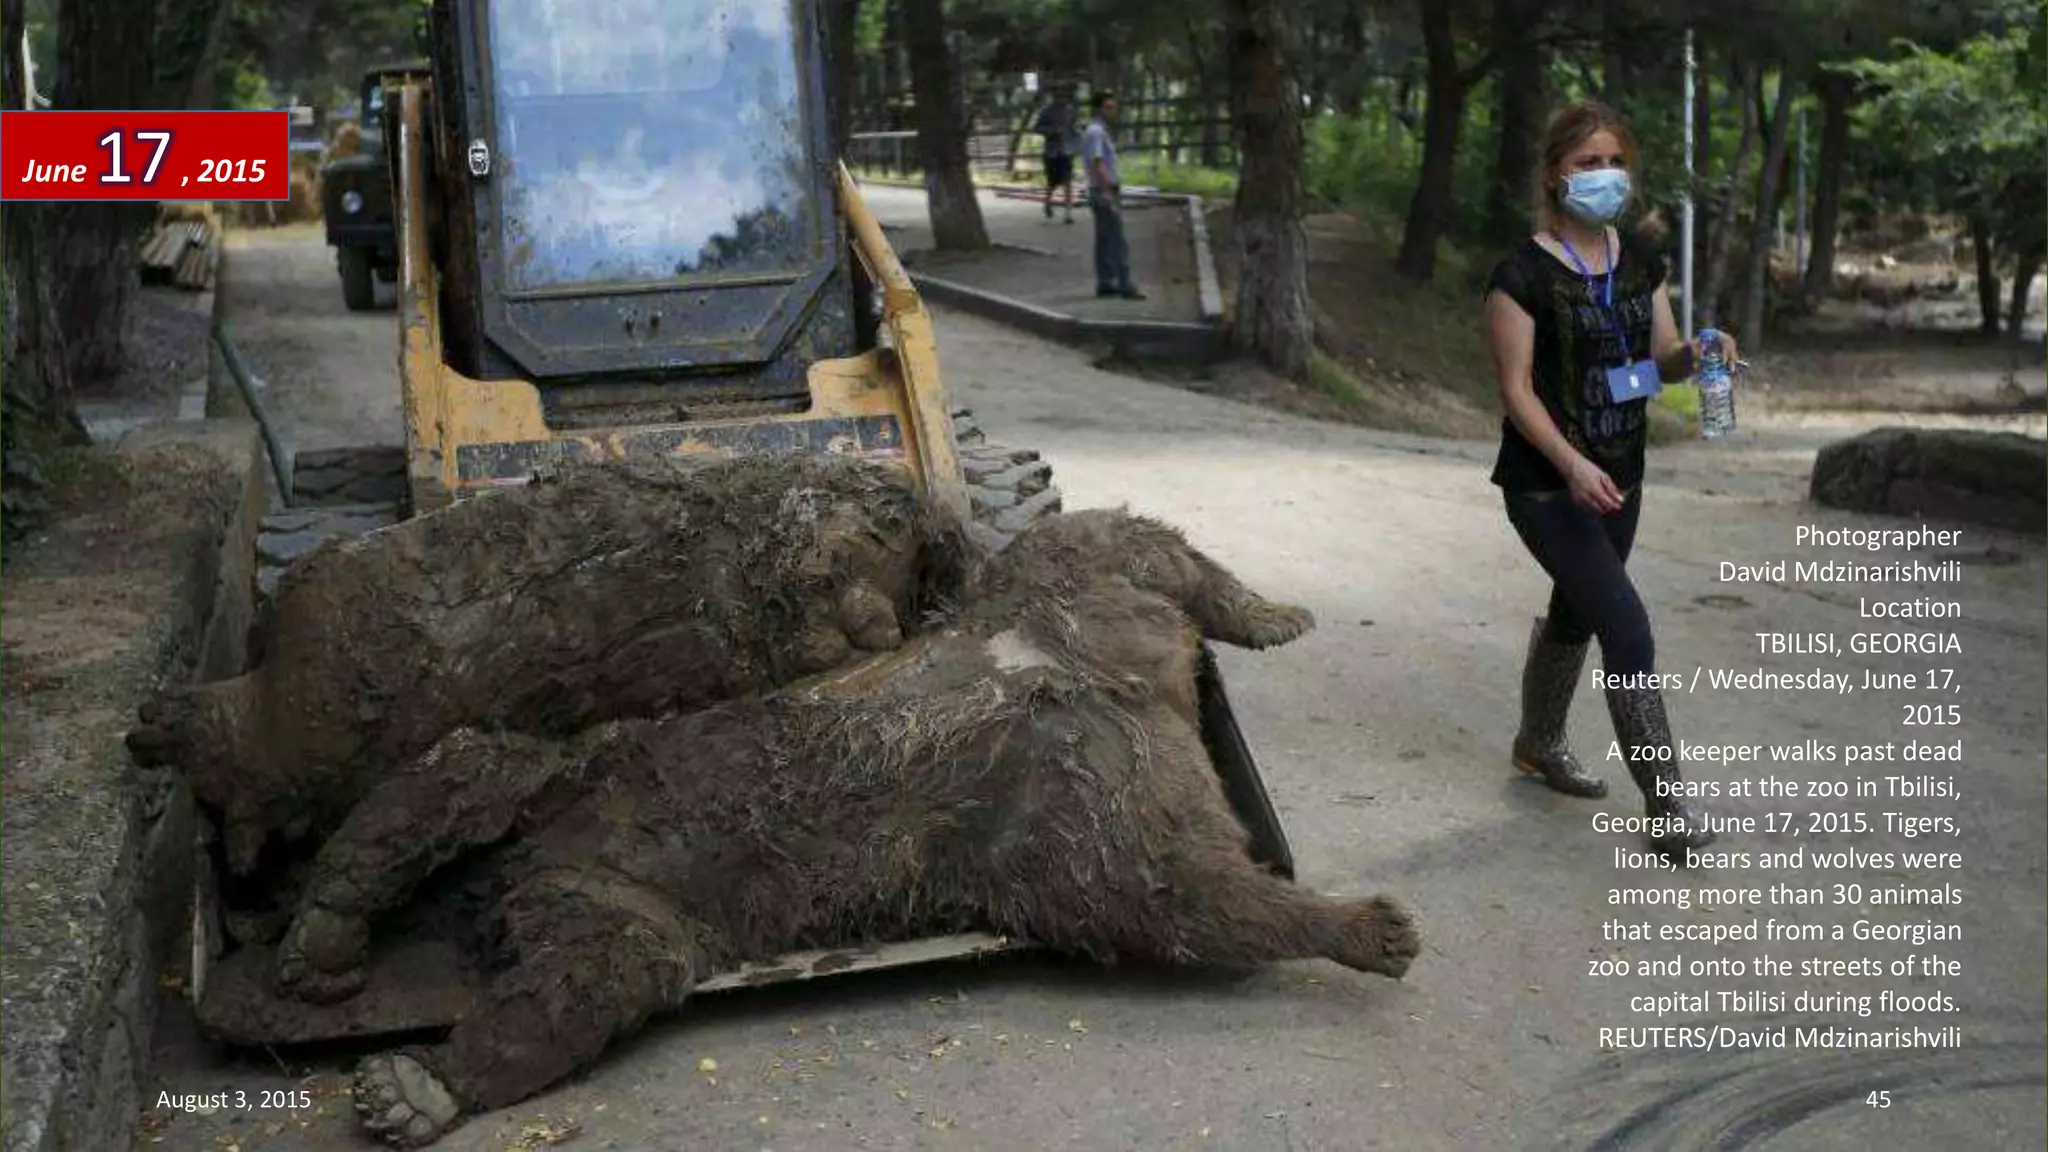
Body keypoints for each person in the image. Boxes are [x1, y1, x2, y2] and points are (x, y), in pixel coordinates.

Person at [1482, 100, 1738, 857]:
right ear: (1556, 174)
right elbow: (1517, 392)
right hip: (1547, 484)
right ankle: (1667, 807)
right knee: (1627, 626)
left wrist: (1700, 352)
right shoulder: (1520, 275)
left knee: (1580, 610)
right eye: (1587, 163)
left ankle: (1537, 743)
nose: (1603, 175)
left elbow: (1656, 364)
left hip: (1622, 472)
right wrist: (1572, 463)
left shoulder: (1639, 258)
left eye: (1613, 161)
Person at [1080, 91, 1143, 300]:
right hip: (1103, 190)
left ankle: (1105, 281)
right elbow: (1098, 163)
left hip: (1099, 189)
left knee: (1104, 239)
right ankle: (1125, 284)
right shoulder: (1096, 132)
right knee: (1117, 239)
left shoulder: (1096, 131)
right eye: (1108, 107)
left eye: (1113, 107)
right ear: (1099, 109)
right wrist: (1108, 191)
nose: (1113, 111)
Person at [1033, 88, 1078, 224]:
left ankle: (1068, 213)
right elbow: (1037, 128)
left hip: (1066, 151)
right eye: (1059, 96)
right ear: (1054, 97)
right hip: (1051, 152)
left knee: (1067, 181)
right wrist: (1051, 132)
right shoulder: (1046, 111)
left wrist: (1077, 140)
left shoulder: (1070, 111)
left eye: (1065, 96)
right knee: (1052, 182)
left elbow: (1073, 129)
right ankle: (1047, 203)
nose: (1062, 99)